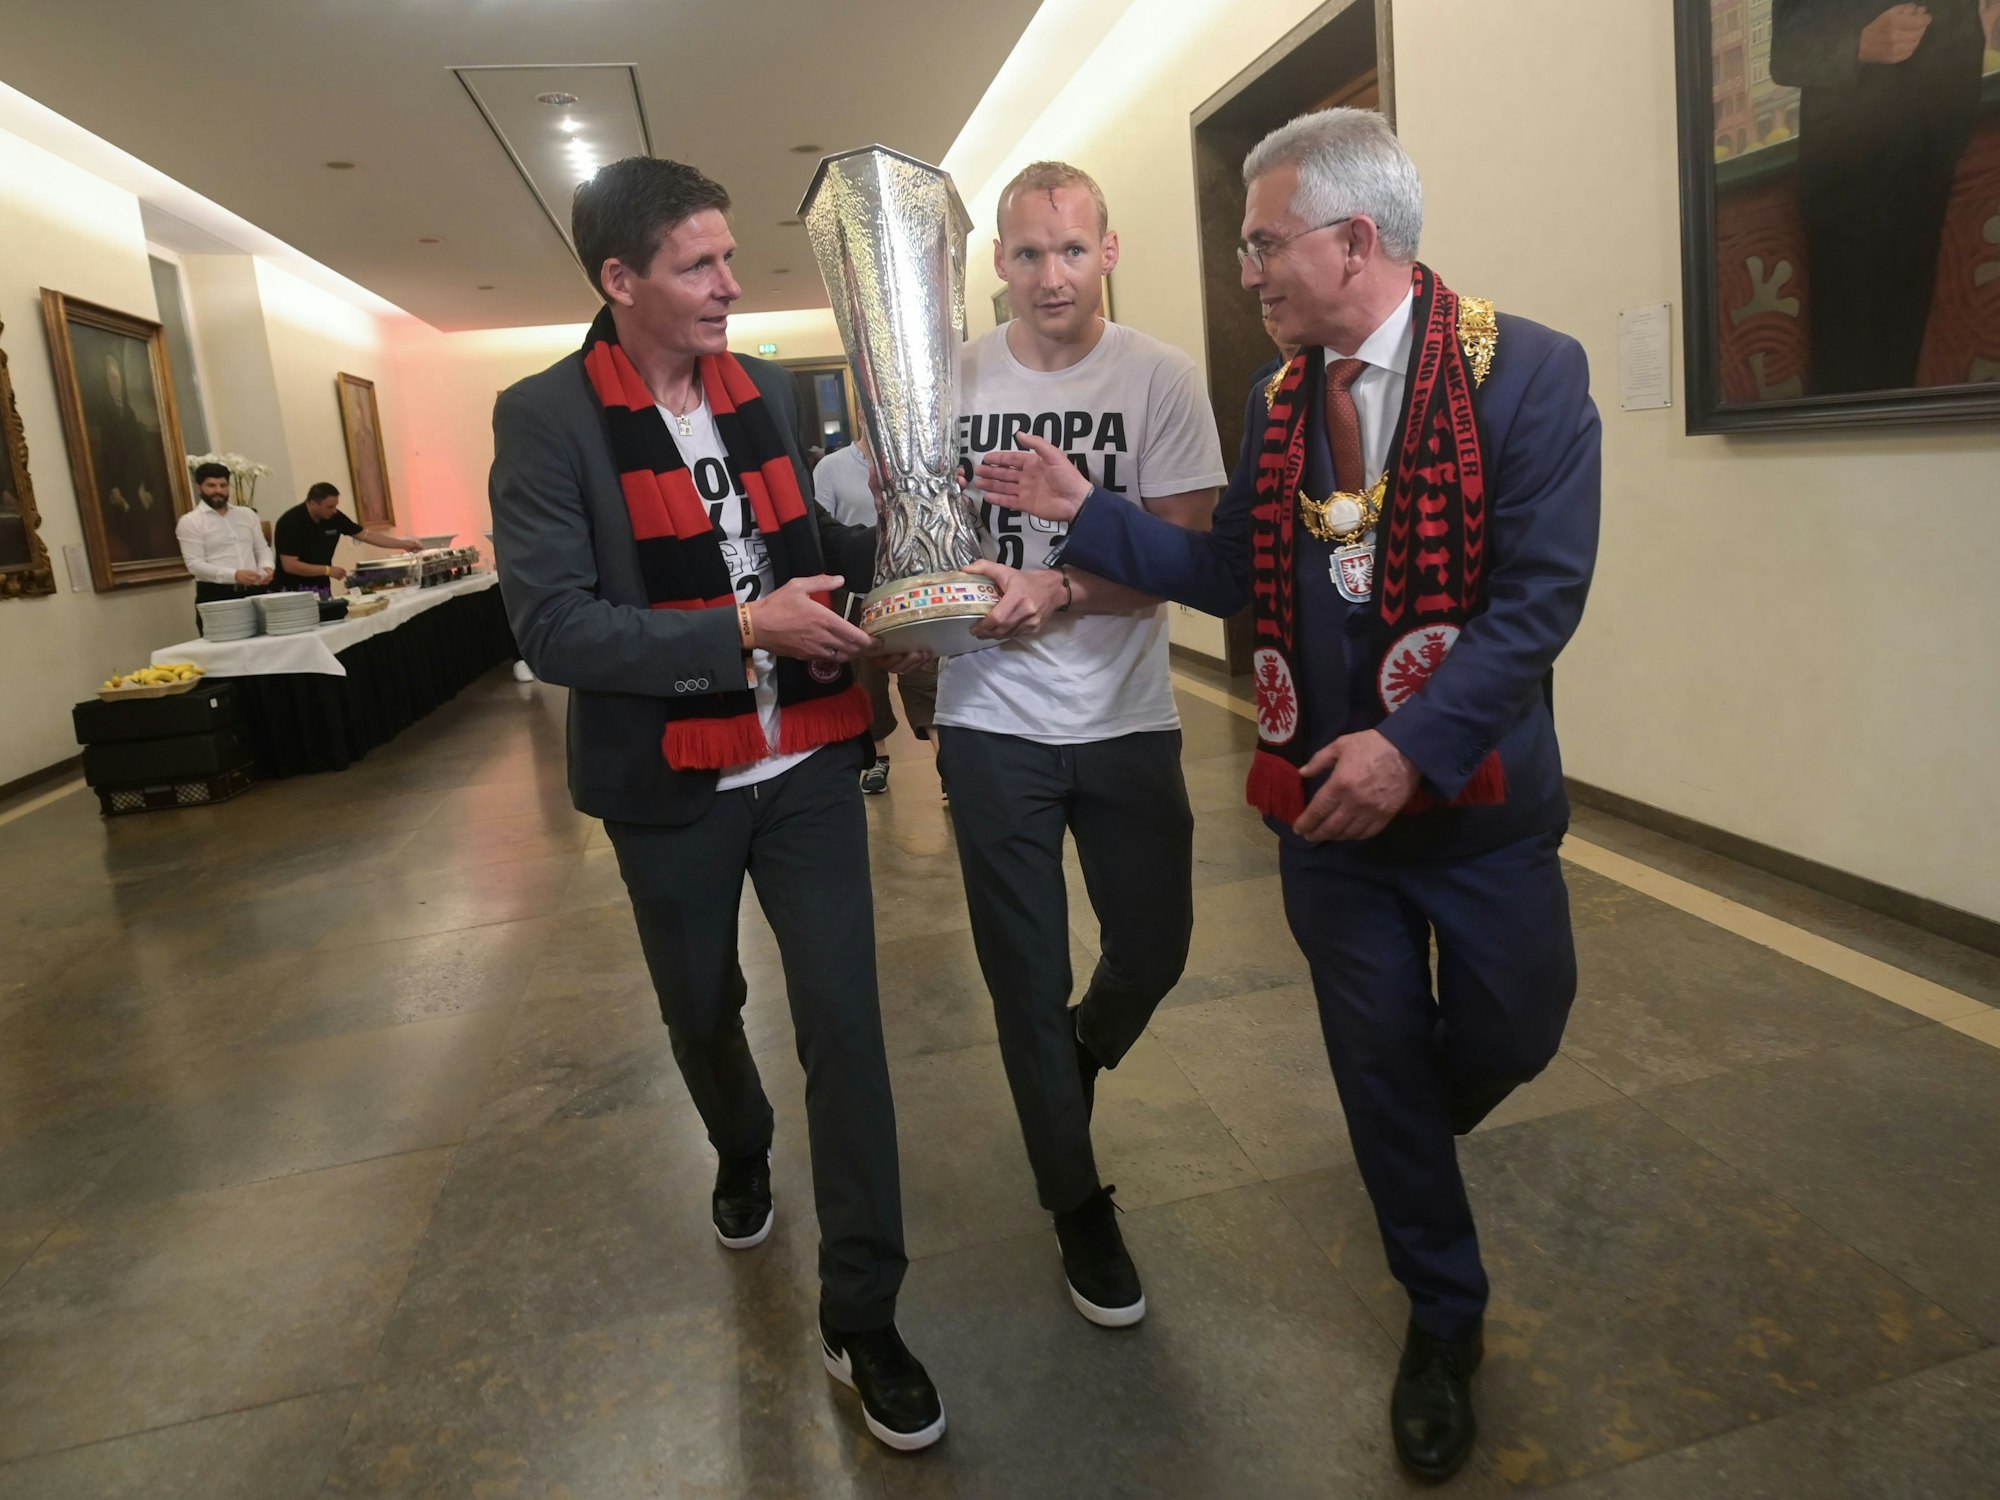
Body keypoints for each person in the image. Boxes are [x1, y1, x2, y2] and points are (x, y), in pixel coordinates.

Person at [976, 111, 1601, 1481]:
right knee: (1378, 1066)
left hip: (1479, 807)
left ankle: (1406, 1139)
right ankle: (1446, 1320)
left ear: (1352, 242)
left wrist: (1412, 747)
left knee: (1516, 1029)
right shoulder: (1275, 400)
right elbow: (1238, 573)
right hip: (1325, 819)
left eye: (1265, 242)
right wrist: (1090, 509)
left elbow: (1537, 604)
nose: (1248, 268)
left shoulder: (1528, 375)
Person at [488, 155, 944, 1452]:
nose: (732, 285)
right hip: (669, 786)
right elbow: (555, 626)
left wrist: (911, 581)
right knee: (704, 1011)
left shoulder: (760, 392)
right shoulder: (547, 419)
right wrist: (743, 625)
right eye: (699, 265)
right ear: (618, 280)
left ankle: (865, 1313)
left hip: (802, 761)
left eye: (729, 257)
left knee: (848, 1028)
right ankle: (740, 1145)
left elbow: (803, 548)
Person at [934, 161, 1226, 1329]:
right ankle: (1074, 1203)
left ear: (1107, 250)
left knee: (1151, 948)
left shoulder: (1160, 376)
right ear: (995, 263)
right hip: (989, 720)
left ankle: (1074, 1062)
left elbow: (1179, 563)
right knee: (1021, 979)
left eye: (1069, 250)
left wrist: (1055, 586)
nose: (1047, 275)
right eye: (1024, 253)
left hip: (1123, 720)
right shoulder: (949, 382)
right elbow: (925, 541)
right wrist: (931, 615)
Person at [1770, 1, 1990, 392]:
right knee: (1850, 376)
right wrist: (1859, 44)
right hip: (1850, 182)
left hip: (1930, 168)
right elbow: (1785, 52)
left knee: (1901, 367)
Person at [811, 433, 941, 795]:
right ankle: (879, 758)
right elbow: (822, 532)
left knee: (923, 674)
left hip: (910, 589)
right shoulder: (831, 467)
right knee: (868, 683)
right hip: (857, 591)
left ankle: (946, 765)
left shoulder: (908, 463)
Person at [272, 481, 420, 593]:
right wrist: (328, 571)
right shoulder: (290, 522)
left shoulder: (333, 516)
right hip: (291, 588)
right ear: (312, 504)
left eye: (335, 506)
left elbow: (365, 535)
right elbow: (290, 565)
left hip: (321, 584)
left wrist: (404, 544)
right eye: (329, 506)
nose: (334, 511)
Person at [176, 461, 272, 613]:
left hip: (255, 591)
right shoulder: (190, 521)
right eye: (211, 486)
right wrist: (234, 575)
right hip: (216, 595)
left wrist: (266, 567)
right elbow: (194, 564)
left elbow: (261, 548)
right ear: (199, 487)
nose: (218, 490)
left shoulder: (247, 514)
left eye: (223, 485)